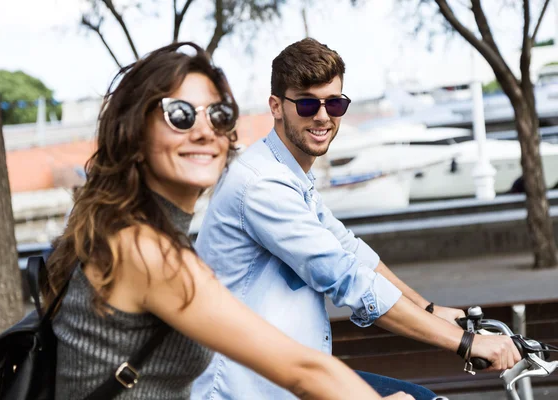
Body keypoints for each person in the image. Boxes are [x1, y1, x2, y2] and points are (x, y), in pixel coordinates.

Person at [42, 42, 410, 400]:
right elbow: (301, 371)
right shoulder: (143, 250)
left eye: (217, 115)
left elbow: (348, 251)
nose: (205, 131)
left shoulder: (135, 231)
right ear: (136, 132)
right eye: (180, 115)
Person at [191, 38, 522, 400]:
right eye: (306, 103)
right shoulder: (261, 184)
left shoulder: (287, 174)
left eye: (334, 103)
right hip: (250, 388)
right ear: (275, 106)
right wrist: (465, 342)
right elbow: (346, 278)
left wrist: (429, 308)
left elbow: (350, 249)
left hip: (292, 376)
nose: (322, 116)